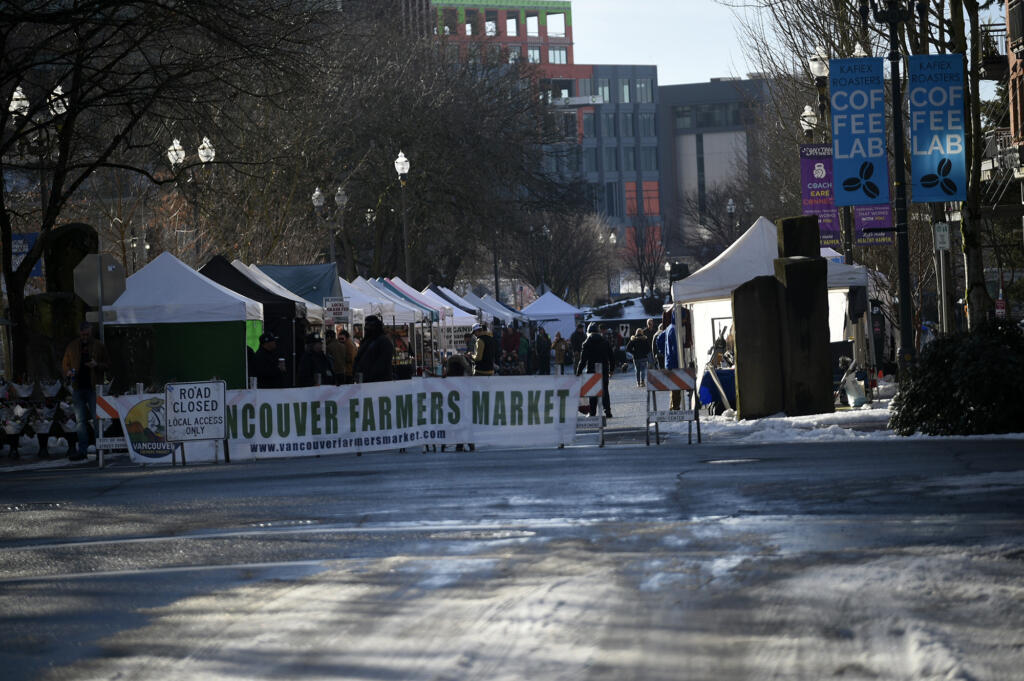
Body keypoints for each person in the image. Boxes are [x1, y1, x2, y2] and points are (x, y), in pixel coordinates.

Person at [61, 321, 109, 461]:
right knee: (80, 421)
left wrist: (97, 365)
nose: (84, 336)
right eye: (82, 334)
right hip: (78, 387)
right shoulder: (72, 346)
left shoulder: (99, 345)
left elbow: (108, 364)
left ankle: (101, 447)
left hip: (93, 387)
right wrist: (68, 372)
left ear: (91, 332)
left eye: (87, 334)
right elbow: (65, 364)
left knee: (96, 419)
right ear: (79, 333)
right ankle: (82, 450)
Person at [575, 322, 615, 418]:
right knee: (605, 391)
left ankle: (592, 412)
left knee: (592, 392)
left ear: (588, 332)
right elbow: (612, 357)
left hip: (591, 370)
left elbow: (583, 360)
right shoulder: (605, 341)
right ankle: (608, 411)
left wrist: (578, 372)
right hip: (604, 370)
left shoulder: (586, 343)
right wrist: (611, 370)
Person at [353, 315, 394, 382]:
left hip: (378, 382)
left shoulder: (384, 341)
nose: (366, 328)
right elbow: (358, 358)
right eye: (366, 325)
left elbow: (383, 363)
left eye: (370, 325)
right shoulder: (367, 340)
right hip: (364, 380)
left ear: (376, 326)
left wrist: (369, 375)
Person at [656, 311, 683, 410]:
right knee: (677, 386)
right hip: (675, 361)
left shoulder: (668, 328)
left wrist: (664, 352)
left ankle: (673, 406)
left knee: (673, 386)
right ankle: (675, 407)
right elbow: (676, 348)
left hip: (669, 361)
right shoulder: (676, 329)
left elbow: (658, 339)